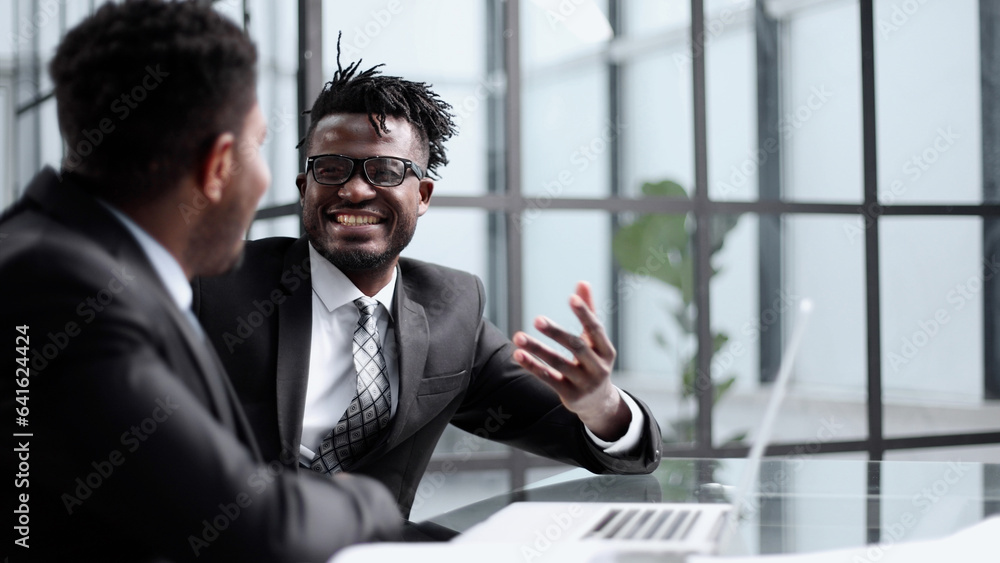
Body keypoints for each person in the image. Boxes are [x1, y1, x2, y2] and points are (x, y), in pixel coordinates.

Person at [0, 2, 401, 561]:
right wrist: (370, 501)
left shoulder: (56, 256)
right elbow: (253, 525)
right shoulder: (61, 290)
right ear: (217, 167)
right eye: (259, 146)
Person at [193, 56, 662, 519]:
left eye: (385, 171)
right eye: (332, 169)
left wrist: (602, 404)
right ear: (305, 188)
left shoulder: (451, 309)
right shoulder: (216, 280)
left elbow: (598, 443)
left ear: (422, 196)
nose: (354, 190)